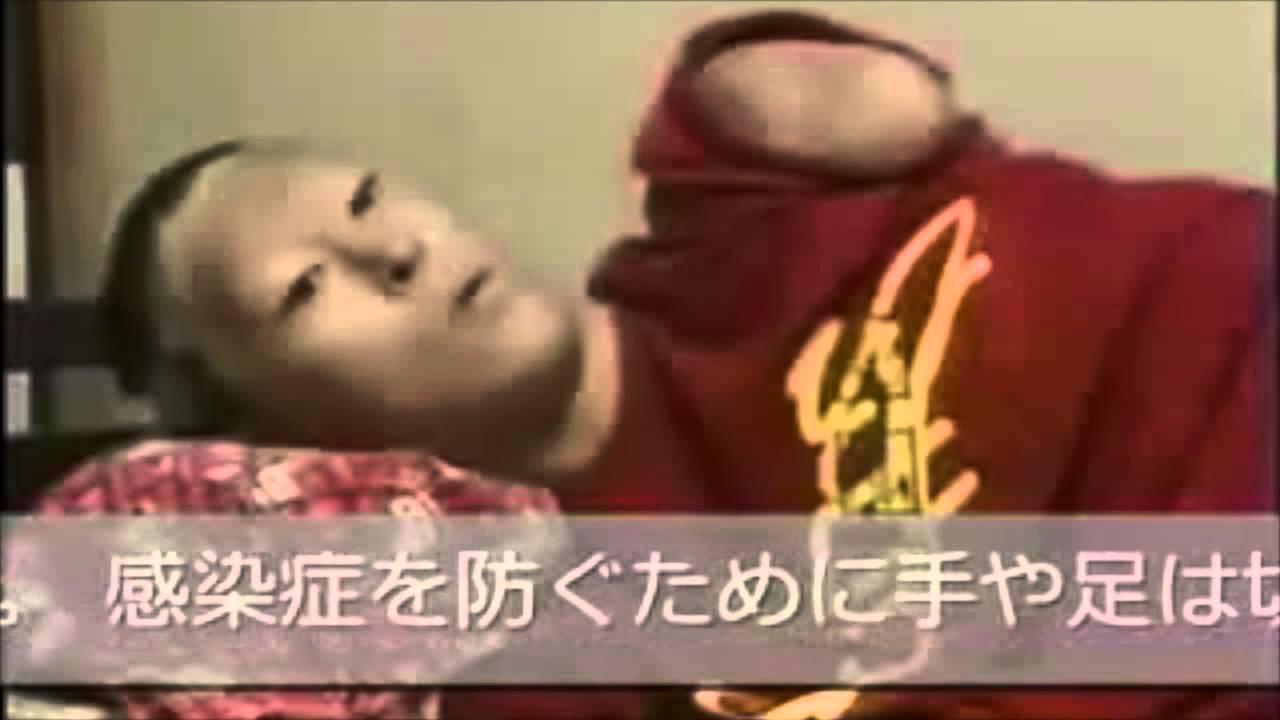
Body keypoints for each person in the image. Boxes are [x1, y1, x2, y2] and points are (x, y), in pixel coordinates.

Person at [91, 9, 1274, 720]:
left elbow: (889, 108)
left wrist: (761, 82)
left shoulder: (719, 207)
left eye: (362, 198)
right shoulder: (555, 660)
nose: (389, 249)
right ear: (285, 443)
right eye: (304, 291)